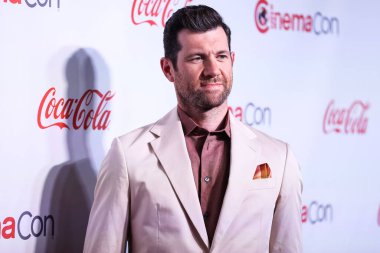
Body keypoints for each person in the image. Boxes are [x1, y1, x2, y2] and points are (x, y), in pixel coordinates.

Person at [83, 5, 302, 253]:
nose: (212, 70)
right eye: (197, 58)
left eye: (221, 56)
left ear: (232, 61)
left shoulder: (278, 157)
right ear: (168, 69)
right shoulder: (128, 155)